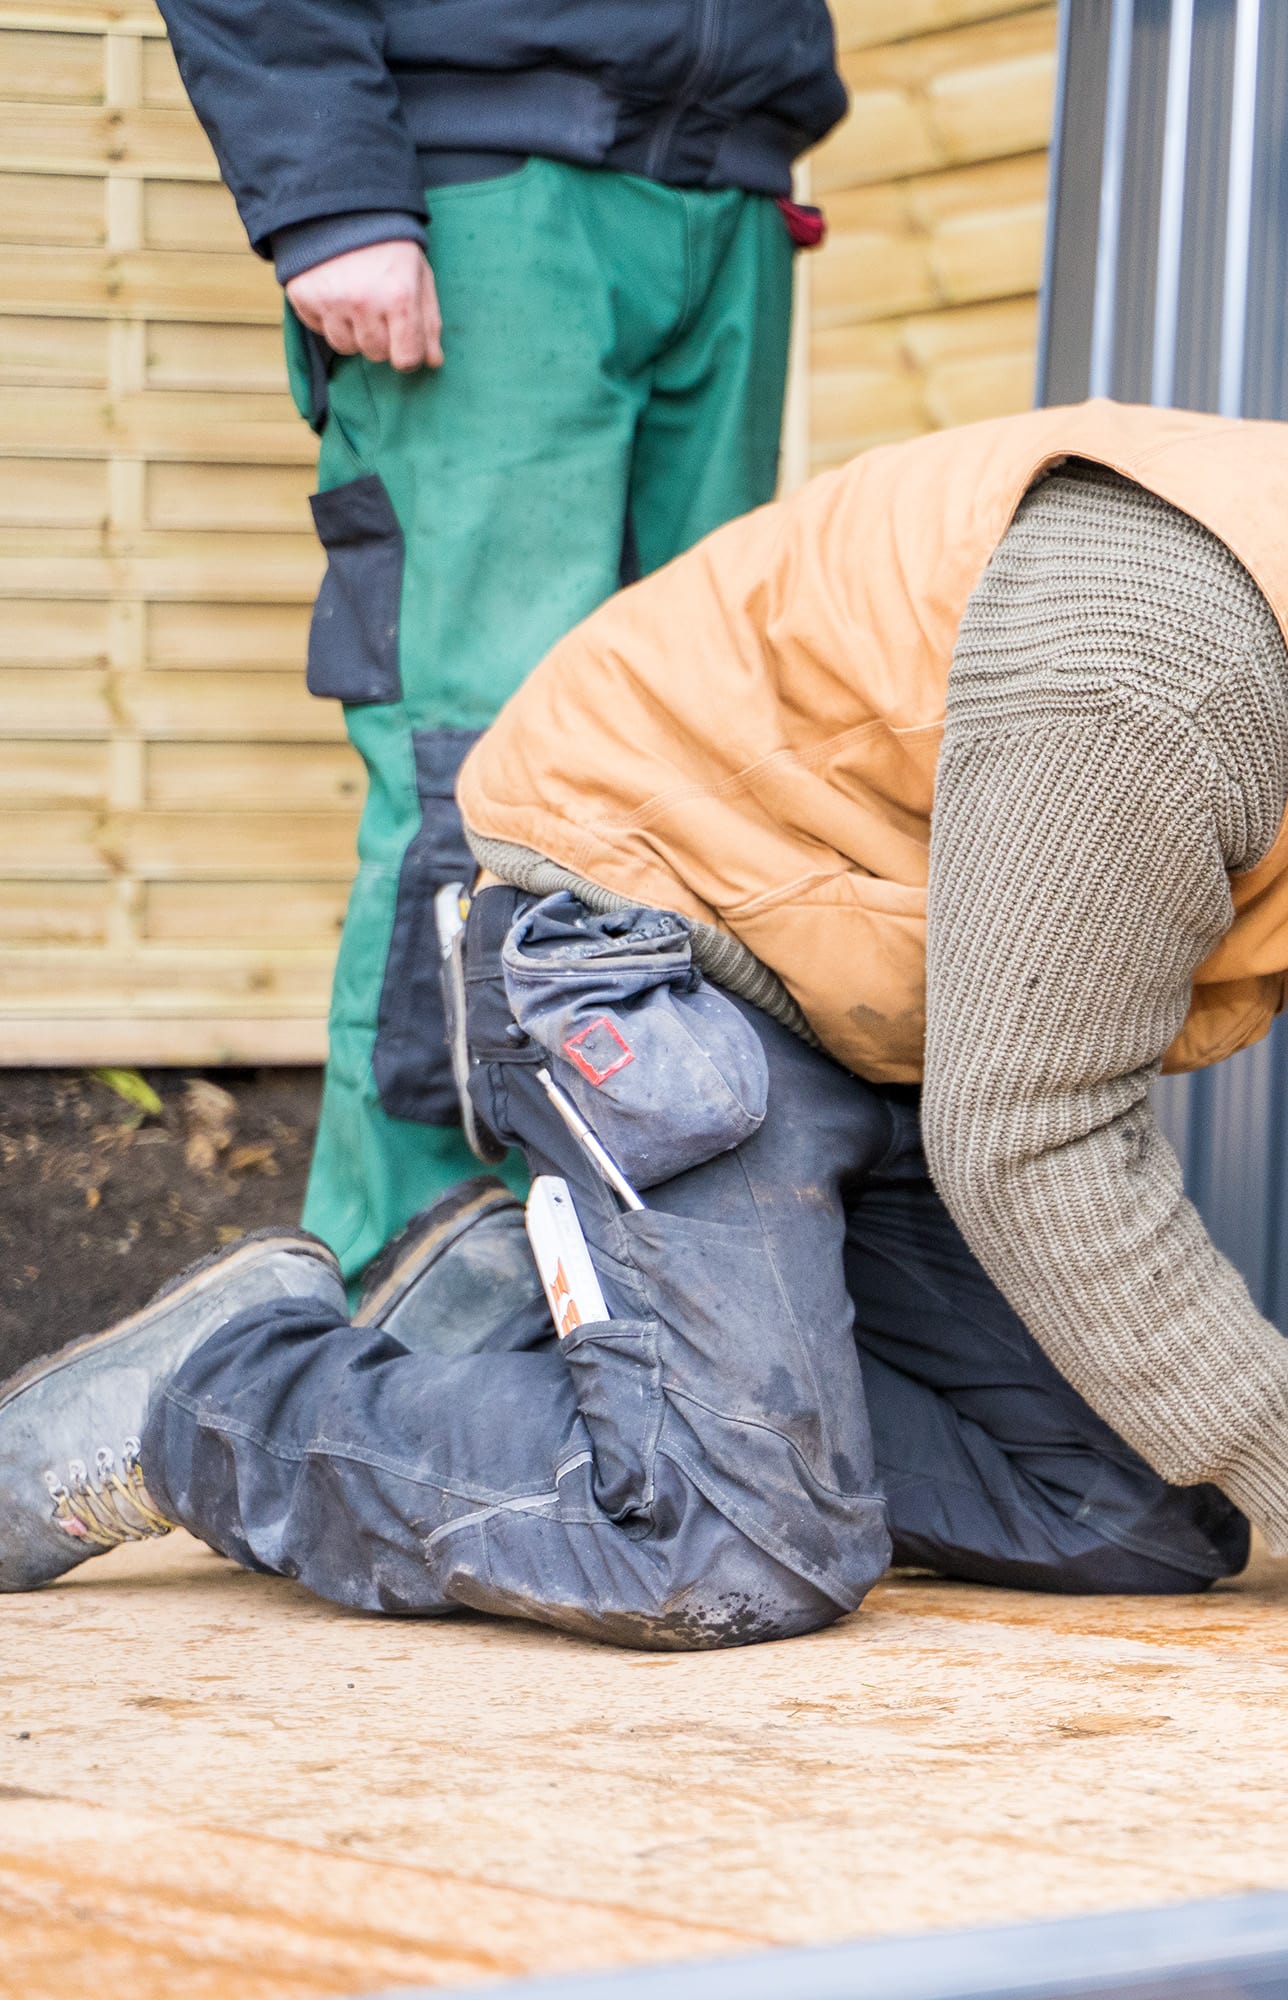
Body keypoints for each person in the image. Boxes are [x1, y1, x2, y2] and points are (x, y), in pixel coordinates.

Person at [0, 373, 1288, 1650]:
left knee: (1136, 1523)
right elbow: (1031, 1130)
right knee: (733, 1548)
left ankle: (560, 1330)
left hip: (879, 1016)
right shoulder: (1178, 650)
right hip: (651, 920)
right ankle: (224, 1397)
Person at [152, 0, 849, 1273]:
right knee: (476, 770)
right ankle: (401, 1289)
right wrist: (331, 190)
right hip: (487, 185)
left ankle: (614, 1291)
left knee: (685, 774)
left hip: (736, 182)